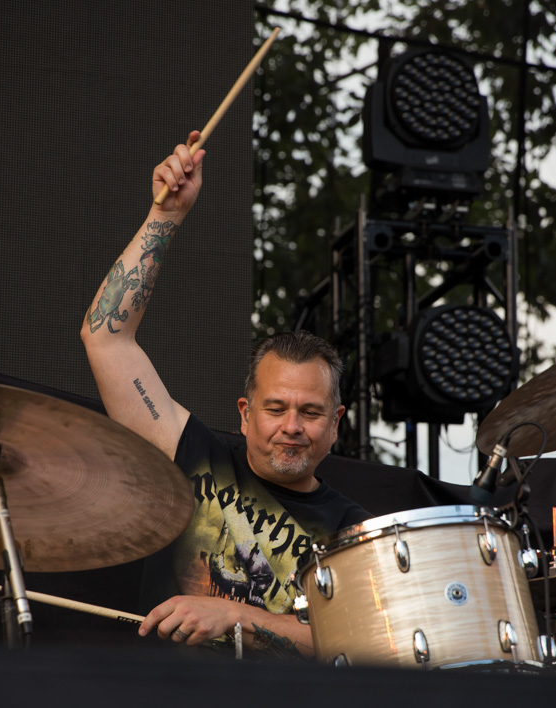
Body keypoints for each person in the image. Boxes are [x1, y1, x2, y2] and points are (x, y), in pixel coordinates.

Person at [81, 131, 368, 659]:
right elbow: (105, 336)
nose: (292, 427)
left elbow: (362, 645)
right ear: (245, 413)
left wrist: (237, 616)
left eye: (311, 412)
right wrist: (166, 216)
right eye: (276, 408)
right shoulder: (189, 455)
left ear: (336, 422)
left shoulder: (352, 532)